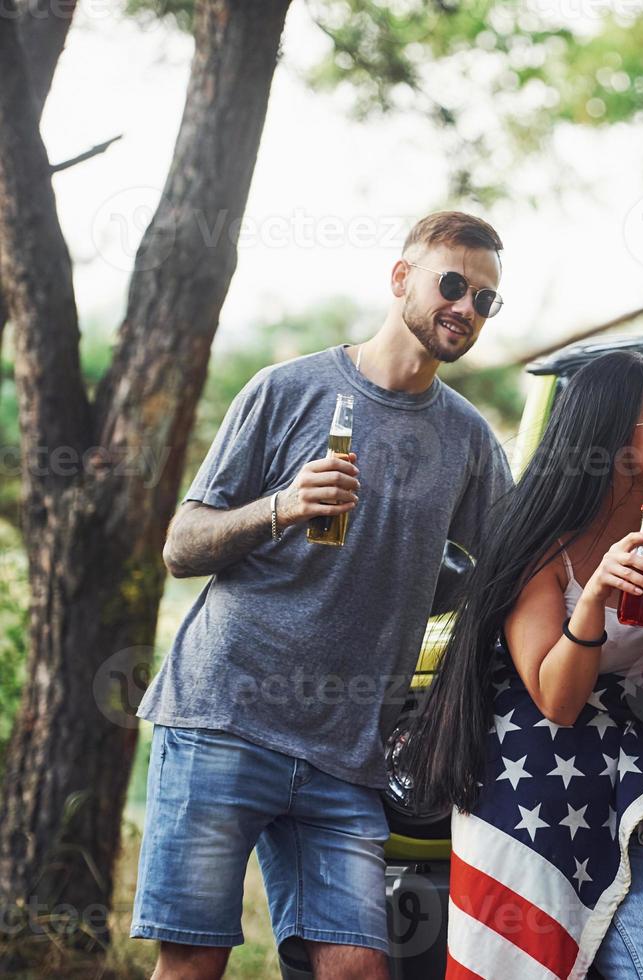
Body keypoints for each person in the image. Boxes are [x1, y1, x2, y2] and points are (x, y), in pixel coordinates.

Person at [131, 211, 513, 980]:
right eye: (452, 285)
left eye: (485, 300)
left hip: (347, 750)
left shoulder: (469, 440)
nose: (466, 309)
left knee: (357, 970)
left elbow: (509, 569)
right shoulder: (289, 390)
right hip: (224, 717)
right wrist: (281, 504)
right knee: (193, 964)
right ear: (401, 278)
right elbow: (181, 545)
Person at [406, 350, 643, 980]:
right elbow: (554, 700)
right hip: (536, 793)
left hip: (637, 795)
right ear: (611, 442)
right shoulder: (538, 535)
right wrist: (592, 599)